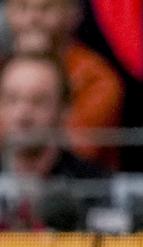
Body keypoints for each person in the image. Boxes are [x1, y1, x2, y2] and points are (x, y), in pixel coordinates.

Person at [4, 0, 124, 166]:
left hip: (78, 185)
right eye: (22, 7)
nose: (33, 18)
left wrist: (43, 59)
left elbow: (79, 146)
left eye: (46, 8)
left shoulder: (97, 78)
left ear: (73, 14)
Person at [0, 52, 108, 230]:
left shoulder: (94, 187)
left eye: (38, 101)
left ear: (64, 109)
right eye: (12, 100)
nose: (23, 114)